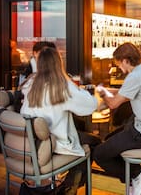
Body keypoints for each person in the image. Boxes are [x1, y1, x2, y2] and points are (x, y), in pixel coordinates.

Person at [20, 46, 99, 195]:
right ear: (59, 64)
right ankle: (68, 189)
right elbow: (91, 106)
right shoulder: (62, 86)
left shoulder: (30, 85)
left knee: (79, 132)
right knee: (94, 142)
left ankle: (64, 184)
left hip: (31, 146)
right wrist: (72, 83)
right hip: (54, 145)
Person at [94, 42, 141, 195]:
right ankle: (135, 178)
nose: (119, 68)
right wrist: (108, 90)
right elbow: (126, 93)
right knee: (110, 138)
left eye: (119, 64)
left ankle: (138, 174)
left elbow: (114, 104)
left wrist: (102, 93)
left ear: (126, 60)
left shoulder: (134, 77)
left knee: (100, 154)